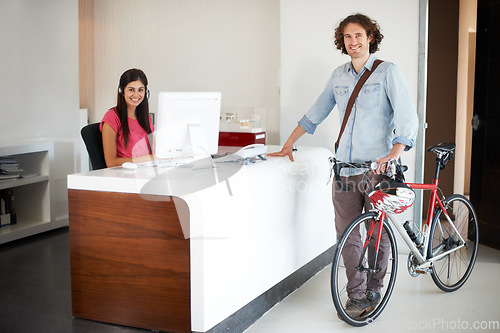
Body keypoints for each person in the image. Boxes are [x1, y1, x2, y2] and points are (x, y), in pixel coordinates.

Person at [269, 13, 418, 318]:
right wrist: (288, 143)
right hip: (345, 170)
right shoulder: (338, 76)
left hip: (378, 171)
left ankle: (375, 287)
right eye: (348, 37)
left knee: (378, 234)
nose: (353, 42)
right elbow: (316, 112)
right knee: (348, 236)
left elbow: (407, 116)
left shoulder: (388, 72)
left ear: (370, 38)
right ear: (342, 41)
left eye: (359, 36)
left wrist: (395, 152)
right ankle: (356, 295)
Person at [101, 68, 155, 167]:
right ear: (122, 91)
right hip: (125, 175)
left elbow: (155, 151)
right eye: (131, 89)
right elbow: (111, 162)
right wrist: (147, 159)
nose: (136, 94)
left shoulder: (146, 117)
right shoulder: (112, 117)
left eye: (140, 90)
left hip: (146, 172)